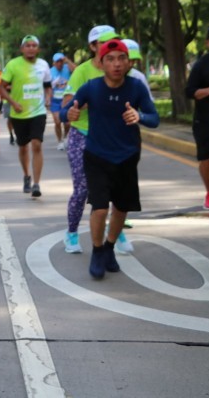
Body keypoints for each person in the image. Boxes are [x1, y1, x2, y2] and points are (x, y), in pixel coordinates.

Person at [61, 38, 159, 279]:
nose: (117, 64)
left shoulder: (136, 87)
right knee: (100, 208)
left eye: (121, 58)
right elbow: (64, 111)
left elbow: (154, 118)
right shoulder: (92, 87)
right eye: (111, 59)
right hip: (97, 156)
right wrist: (69, 113)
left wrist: (140, 116)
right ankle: (97, 251)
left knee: (121, 208)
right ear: (101, 63)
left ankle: (109, 247)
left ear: (128, 62)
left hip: (127, 156)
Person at [60, 26, 134, 254]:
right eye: (104, 43)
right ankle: (72, 233)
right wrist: (82, 106)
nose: (111, 47)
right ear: (93, 47)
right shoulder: (82, 72)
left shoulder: (122, 71)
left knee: (116, 188)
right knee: (83, 188)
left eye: (115, 42)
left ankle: (115, 230)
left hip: (113, 138)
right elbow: (66, 106)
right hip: (83, 136)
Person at [0, 35, 52, 197]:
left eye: (34, 45)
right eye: (27, 45)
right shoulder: (13, 65)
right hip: (19, 113)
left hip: (38, 112)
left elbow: (48, 86)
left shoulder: (43, 65)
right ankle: (26, 176)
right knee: (23, 147)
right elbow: (1, 88)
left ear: (38, 49)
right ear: (22, 49)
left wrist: (48, 98)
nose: (31, 48)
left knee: (36, 144)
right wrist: (13, 103)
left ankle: (36, 184)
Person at [185, 27, 209, 210]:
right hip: (205, 121)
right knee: (207, 159)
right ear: (208, 43)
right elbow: (189, 91)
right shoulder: (201, 65)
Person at [49, 52, 75, 150]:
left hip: (66, 99)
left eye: (61, 61)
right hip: (55, 100)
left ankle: (65, 138)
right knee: (57, 121)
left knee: (67, 123)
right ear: (54, 63)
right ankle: (59, 141)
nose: (59, 63)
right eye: (57, 62)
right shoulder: (50, 71)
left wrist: (67, 60)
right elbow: (46, 86)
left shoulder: (67, 68)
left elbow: (77, 70)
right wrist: (47, 99)